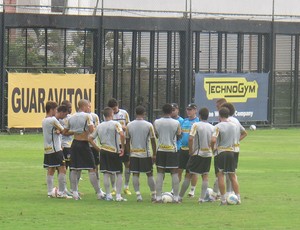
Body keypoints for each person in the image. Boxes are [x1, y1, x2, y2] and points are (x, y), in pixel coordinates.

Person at [64, 99, 105, 200]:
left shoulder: (72, 117)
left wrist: (75, 132)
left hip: (74, 144)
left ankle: (74, 193)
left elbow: (65, 132)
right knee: (91, 168)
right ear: (84, 106)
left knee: (74, 168)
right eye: (89, 106)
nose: (89, 108)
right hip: (84, 144)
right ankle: (99, 193)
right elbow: (91, 130)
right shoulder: (88, 116)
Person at [89, 107, 127, 202]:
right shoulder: (116, 123)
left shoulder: (99, 126)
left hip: (103, 150)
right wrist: (122, 147)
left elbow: (90, 138)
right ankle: (118, 196)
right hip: (114, 150)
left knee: (106, 173)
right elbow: (122, 134)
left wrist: (98, 148)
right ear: (112, 114)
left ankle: (108, 195)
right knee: (118, 173)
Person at [178, 107, 214, 203]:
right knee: (205, 175)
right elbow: (214, 141)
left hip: (197, 153)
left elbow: (190, 138)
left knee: (188, 175)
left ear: (200, 115)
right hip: (208, 154)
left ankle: (179, 197)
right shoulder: (212, 127)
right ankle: (201, 199)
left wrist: (191, 151)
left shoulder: (196, 125)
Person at [211, 107, 242, 205]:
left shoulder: (218, 126)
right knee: (232, 175)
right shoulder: (234, 126)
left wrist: (213, 148)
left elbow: (213, 140)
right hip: (232, 152)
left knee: (220, 175)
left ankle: (223, 199)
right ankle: (238, 198)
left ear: (219, 115)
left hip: (221, 152)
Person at [126, 106, 157, 202]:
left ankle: (138, 195)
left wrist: (129, 154)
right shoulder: (149, 125)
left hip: (134, 154)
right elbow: (153, 140)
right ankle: (153, 195)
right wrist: (154, 154)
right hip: (145, 154)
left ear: (135, 113)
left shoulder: (129, 125)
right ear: (144, 114)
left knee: (135, 174)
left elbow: (127, 141)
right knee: (149, 174)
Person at [42, 101, 71, 198]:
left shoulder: (44, 120)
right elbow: (64, 131)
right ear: (51, 110)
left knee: (51, 169)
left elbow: (56, 131)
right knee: (62, 168)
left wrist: (57, 131)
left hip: (47, 149)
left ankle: (50, 192)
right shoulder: (53, 120)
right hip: (56, 149)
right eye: (55, 109)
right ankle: (61, 192)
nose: (56, 111)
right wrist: (76, 131)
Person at [153, 103, 181, 203]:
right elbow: (178, 135)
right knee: (174, 173)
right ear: (171, 111)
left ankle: (158, 197)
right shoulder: (176, 123)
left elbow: (156, 135)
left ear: (162, 111)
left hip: (161, 149)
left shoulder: (156, 122)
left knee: (160, 172)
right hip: (172, 150)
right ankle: (176, 198)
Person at [221, 102, 247, 195]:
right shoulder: (236, 120)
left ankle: (227, 193)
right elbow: (245, 133)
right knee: (232, 172)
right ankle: (231, 193)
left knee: (223, 173)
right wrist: (237, 141)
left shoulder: (226, 121)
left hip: (227, 149)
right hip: (236, 149)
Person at [107, 98, 132, 196]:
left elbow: (129, 125)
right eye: (112, 109)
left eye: (115, 108)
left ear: (118, 106)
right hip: (113, 143)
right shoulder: (108, 115)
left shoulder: (124, 113)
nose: (113, 110)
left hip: (124, 142)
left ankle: (126, 186)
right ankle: (113, 188)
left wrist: (123, 127)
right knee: (113, 166)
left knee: (127, 164)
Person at [178, 103, 199, 197]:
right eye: (187, 109)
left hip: (193, 150)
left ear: (195, 110)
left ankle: (192, 190)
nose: (188, 111)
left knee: (192, 171)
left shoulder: (197, 122)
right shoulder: (184, 121)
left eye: (190, 109)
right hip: (183, 149)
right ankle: (175, 188)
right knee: (179, 169)